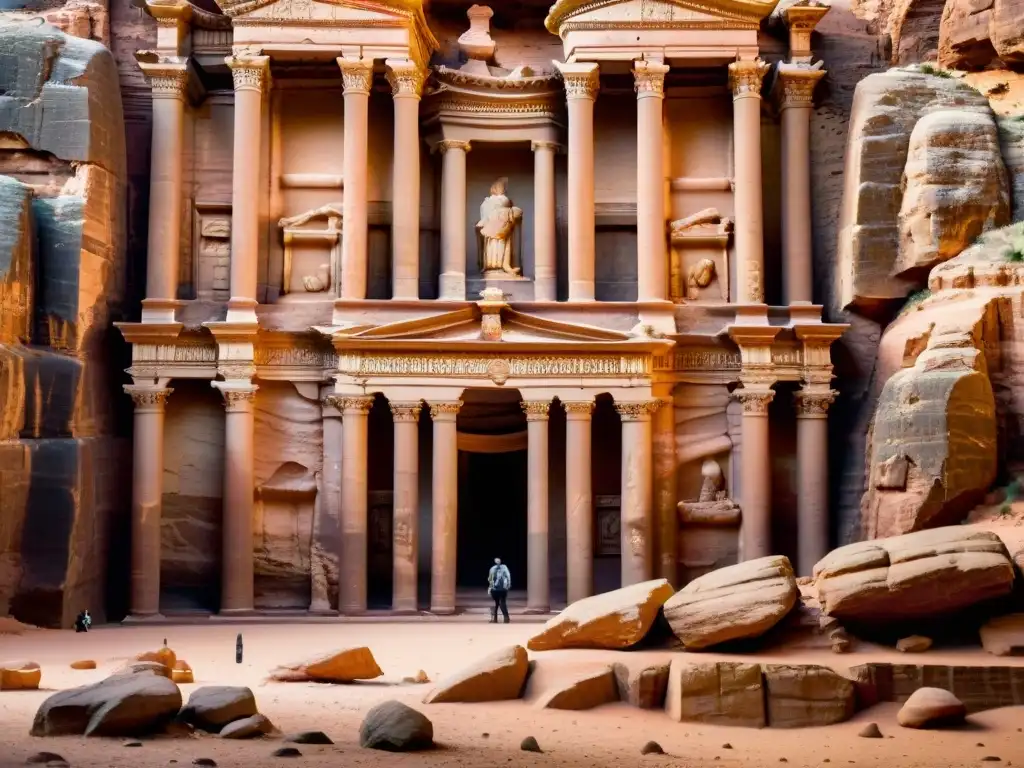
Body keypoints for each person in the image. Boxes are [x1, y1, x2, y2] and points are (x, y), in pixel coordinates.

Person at [487, 557, 511, 624]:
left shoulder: (492, 569)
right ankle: (506, 618)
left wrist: (490, 588)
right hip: (503, 589)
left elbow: (491, 579)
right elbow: (508, 577)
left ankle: (495, 619)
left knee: (497, 604)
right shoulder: (504, 568)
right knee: (502, 603)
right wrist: (508, 585)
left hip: (495, 589)